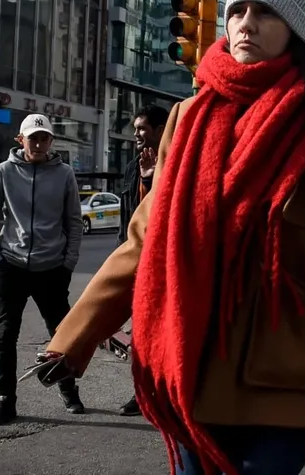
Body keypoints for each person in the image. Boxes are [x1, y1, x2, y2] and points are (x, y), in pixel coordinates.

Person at [30, 0, 305, 474]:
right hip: (195, 363)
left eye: (265, 13)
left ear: (298, 30)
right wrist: (72, 340)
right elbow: (147, 240)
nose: (245, 24)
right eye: (237, 11)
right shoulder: (188, 118)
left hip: (293, 374)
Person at [0, 113, 85, 425]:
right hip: (11, 265)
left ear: (52, 141)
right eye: (33, 137)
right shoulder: (4, 172)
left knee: (61, 334)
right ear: (20, 139)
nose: (38, 143)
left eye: (44, 138)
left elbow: (74, 223)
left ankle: (68, 388)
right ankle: (5, 399)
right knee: (6, 334)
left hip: (52, 267)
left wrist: (68, 263)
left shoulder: (64, 174)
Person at [116, 104, 169, 417]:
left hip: (165, 266)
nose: (136, 135)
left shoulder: (176, 159)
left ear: (160, 129)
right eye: (135, 129)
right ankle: (142, 395)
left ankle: (167, 394)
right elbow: (130, 218)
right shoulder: (132, 166)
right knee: (141, 337)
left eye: (142, 129)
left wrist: (151, 180)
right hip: (138, 264)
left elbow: (161, 212)